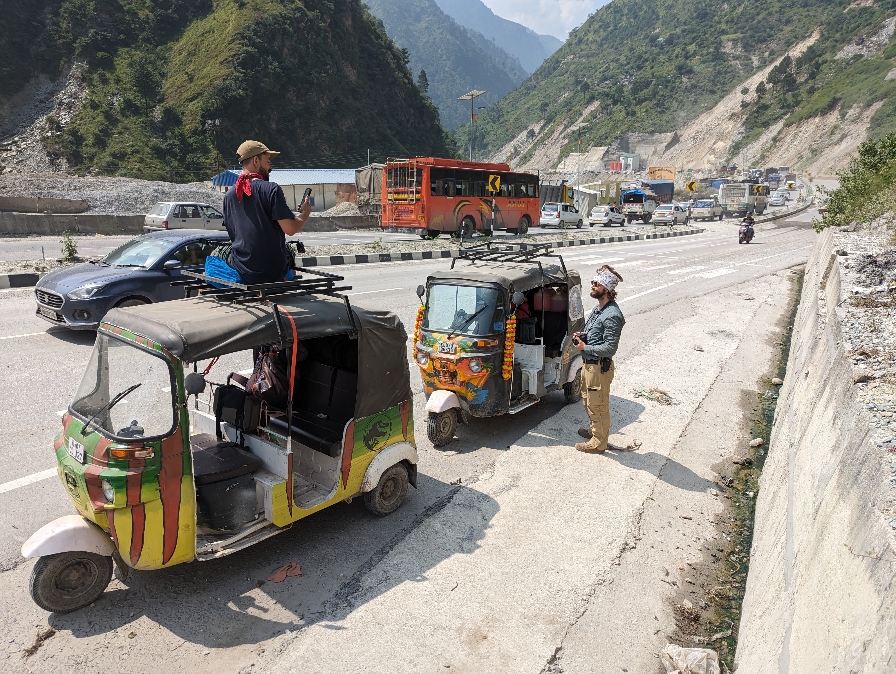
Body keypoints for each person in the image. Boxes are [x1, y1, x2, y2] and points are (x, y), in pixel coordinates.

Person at [205, 140, 312, 285]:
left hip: (244, 269)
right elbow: (291, 229)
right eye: (267, 162)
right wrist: (304, 215)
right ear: (256, 161)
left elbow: (234, 235)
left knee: (215, 253)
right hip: (273, 270)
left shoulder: (229, 196)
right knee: (289, 249)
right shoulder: (271, 189)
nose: (270, 168)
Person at [572, 265, 626, 453]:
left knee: (598, 405)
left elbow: (610, 348)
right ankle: (595, 432)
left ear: (607, 289)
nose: (592, 286)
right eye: (593, 282)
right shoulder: (599, 308)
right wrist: (583, 336)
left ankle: (598, 443)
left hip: (599, 367)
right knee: (589, 402)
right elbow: (597, 335)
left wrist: (585, 347)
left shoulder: (612, 315)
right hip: (589, 365)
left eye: (597, 284)